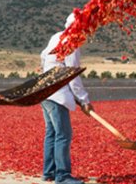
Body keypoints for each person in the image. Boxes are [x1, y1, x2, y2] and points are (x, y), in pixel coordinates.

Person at [39, 12, 93, 184]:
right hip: (57, 94)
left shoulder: (56, 37)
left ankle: (49, 173)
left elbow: (43, 56)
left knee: (52, 133)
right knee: (63, 134)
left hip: (43, 90)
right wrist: (84, 100)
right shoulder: (72, 43)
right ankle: (62, 176)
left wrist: (48, 70)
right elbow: (73, 75)